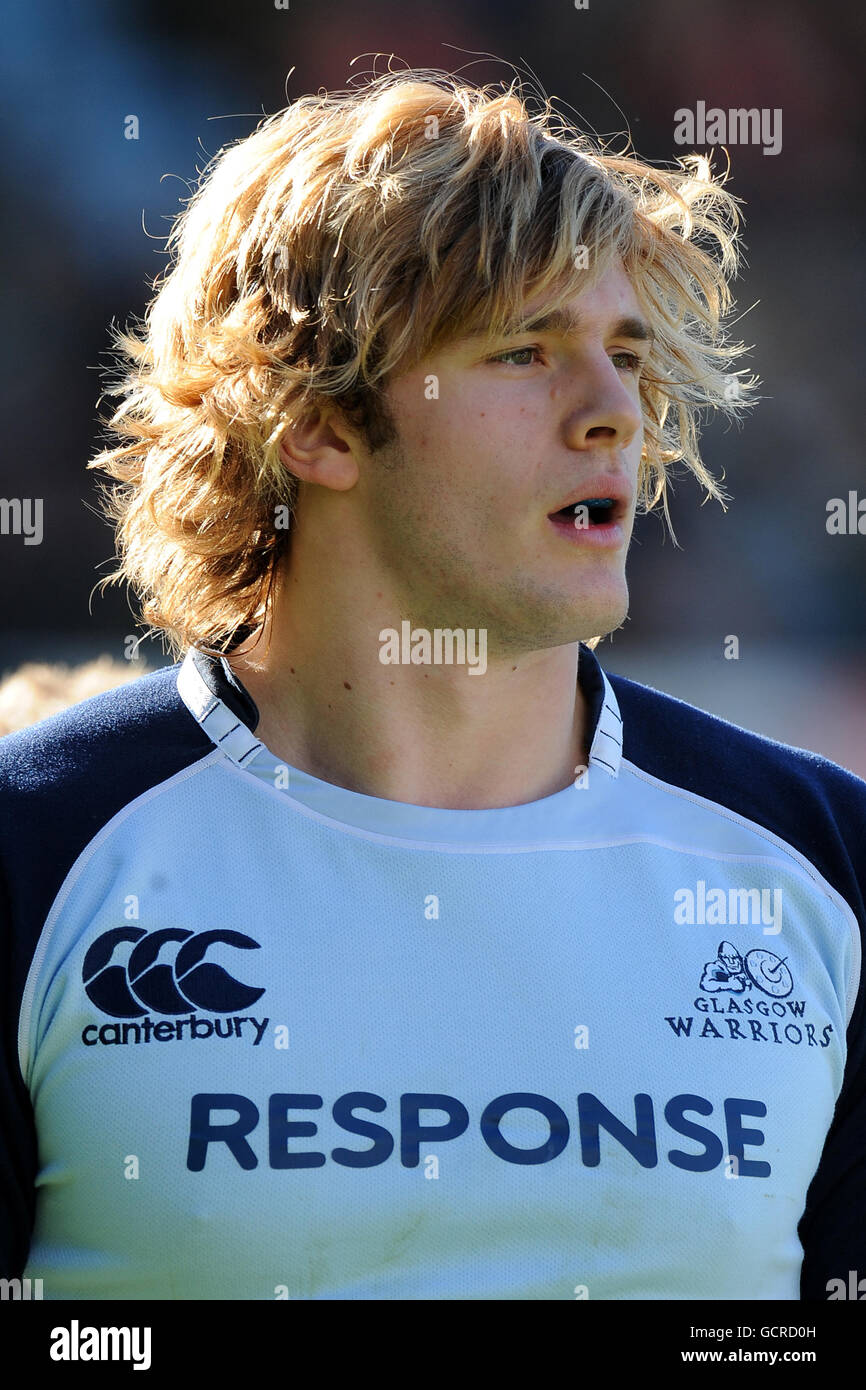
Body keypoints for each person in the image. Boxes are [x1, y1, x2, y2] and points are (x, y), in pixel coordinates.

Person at [1, 66, 863, 1301]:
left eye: (625, 354)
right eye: (524, 351)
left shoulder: (824, 868)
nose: (613, 410)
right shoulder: (36, 855)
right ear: (317, 425)